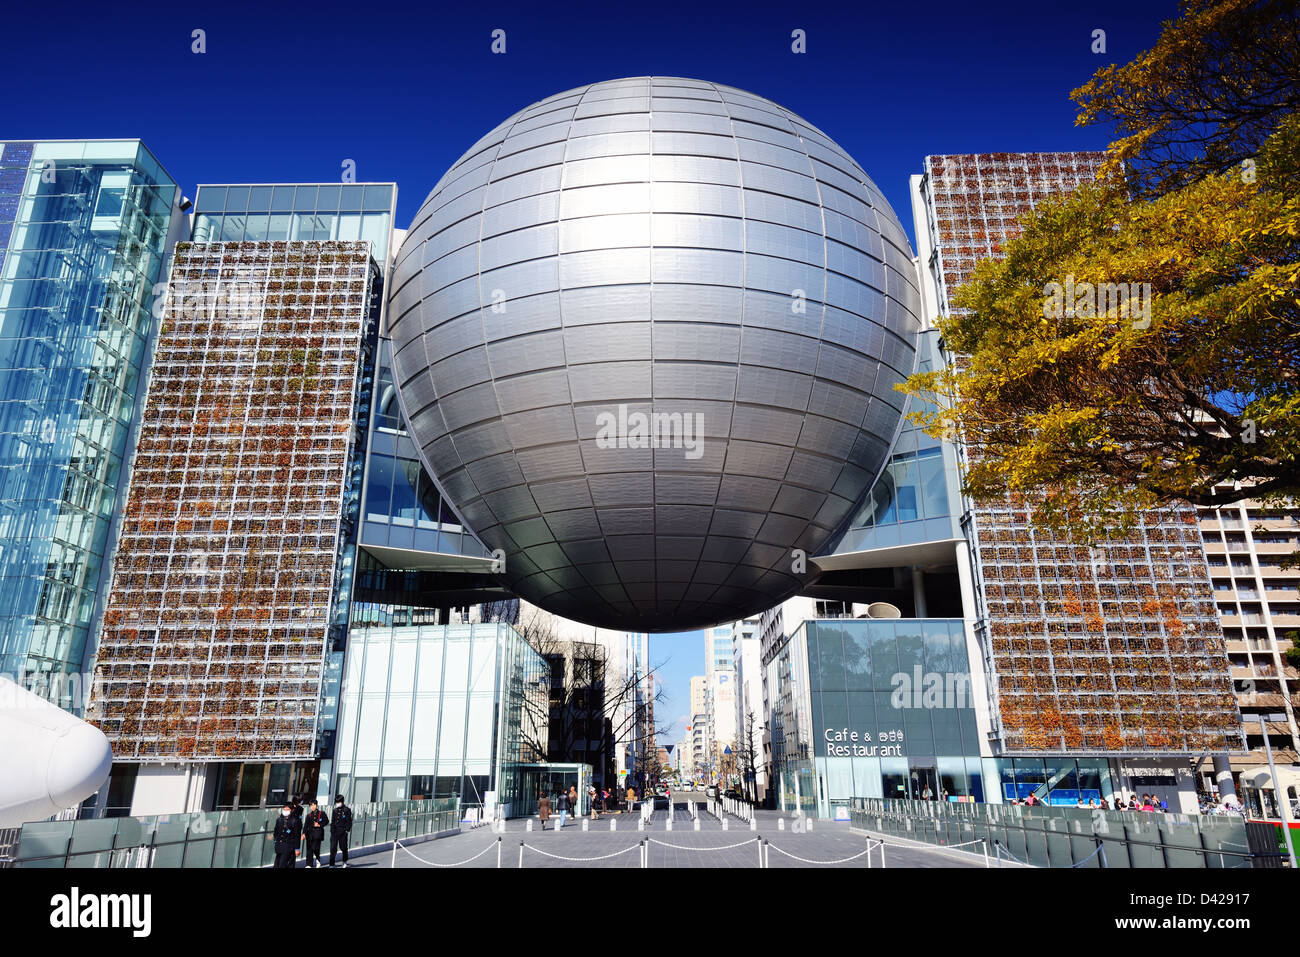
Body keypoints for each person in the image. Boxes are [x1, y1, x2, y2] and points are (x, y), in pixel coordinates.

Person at [273, 802, 301, 869]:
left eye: (287, 809)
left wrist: (297, 848)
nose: (285, 811)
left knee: (283, 864)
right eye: (284, 809)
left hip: (289, 845)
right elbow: (276, 831)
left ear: (292, 810)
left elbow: (297, 835)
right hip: (279, 845)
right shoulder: (279, 820)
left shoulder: (295, 821)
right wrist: (275, 841)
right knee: (277, 864)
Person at [302, 798, 328, 868]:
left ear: (316, 805)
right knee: (309, 850)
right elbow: (305, 826)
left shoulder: (322, 813)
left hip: (318, 834)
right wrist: (303, 833)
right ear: (309, 806)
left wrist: (319, 824)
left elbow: (326, 821)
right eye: (311, 805)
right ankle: (309, 864)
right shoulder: (309, 815)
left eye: (314, 805)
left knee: (315, 848)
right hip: (309, 835)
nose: (313, 807)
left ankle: (318, 859)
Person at [328, 794, 353, 868]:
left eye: (338, 802)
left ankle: (344, 861)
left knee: (343, 847)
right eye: (336, 802)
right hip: (335, 832)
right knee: (333, 848)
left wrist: (347, 830)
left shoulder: (347, 810)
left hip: (342, 831)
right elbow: (333, 821)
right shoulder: (334, 810)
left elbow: (349, 822)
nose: (337, 803)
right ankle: (331, 863)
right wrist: (332, 830)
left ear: (342, 801)